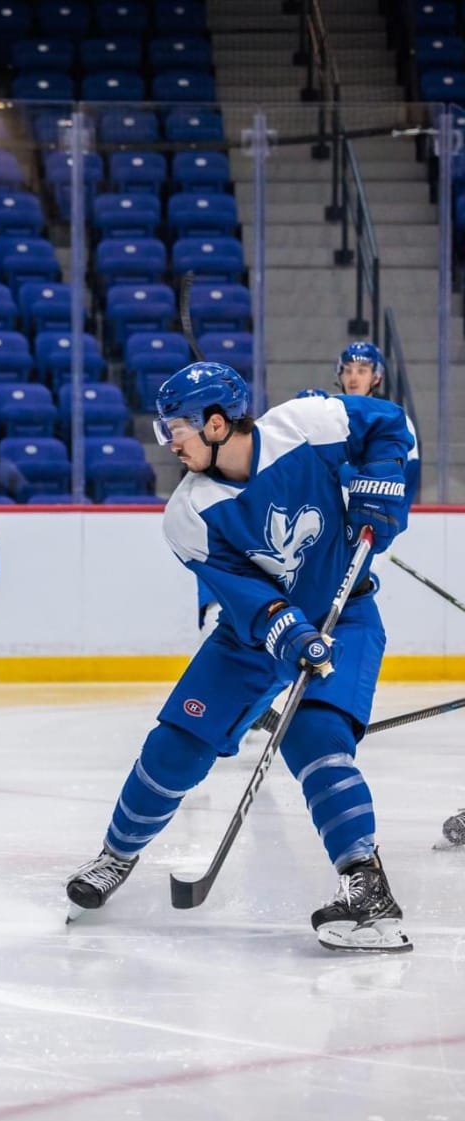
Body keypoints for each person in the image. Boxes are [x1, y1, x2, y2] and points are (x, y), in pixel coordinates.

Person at [65, 362, 415, 954]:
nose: (168, 442)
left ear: (217, 423)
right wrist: (285, 628)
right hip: (254, 634)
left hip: (344, 611)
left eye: (176, 428)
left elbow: (388, 422)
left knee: (316, 736)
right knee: (174, 744)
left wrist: (381, 480)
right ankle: (116, 855)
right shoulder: (188, 513)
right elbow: (241, 591)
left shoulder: (305, 425)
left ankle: (366, 885)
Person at [335, 341, 421, 502]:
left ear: (376, 377)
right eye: (347, 370)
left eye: (362, 370)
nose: (353, 378)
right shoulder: (326, 413)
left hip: (374, 514)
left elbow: (409, 472)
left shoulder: (394, 419)